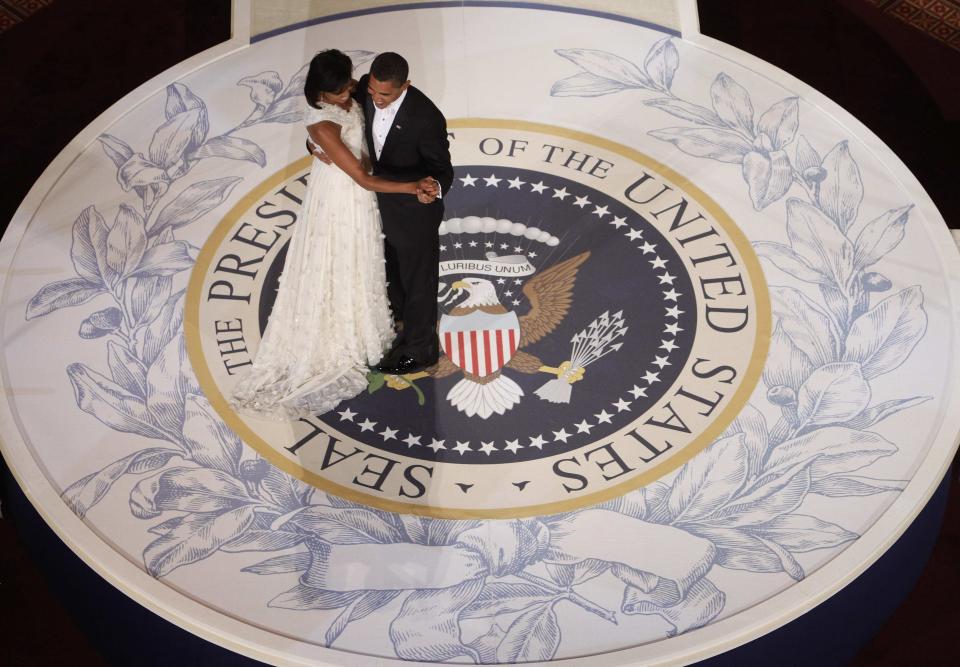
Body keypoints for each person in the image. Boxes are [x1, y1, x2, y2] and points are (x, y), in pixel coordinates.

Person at [228, 49, 437, 420]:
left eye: (350, 87)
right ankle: (349, 330)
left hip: (364, 198)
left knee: (374, 260)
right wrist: (412, 187)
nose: (353, 95)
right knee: (342, 261)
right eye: (342, 92)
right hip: (345, 199)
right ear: (323, 93)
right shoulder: (321, 124)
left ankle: (387, 317)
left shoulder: (357, 91)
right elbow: (362, 176)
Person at [318, 52, 454, 376]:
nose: (377, 99)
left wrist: (432, 186)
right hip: (377, 205)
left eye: (386, 95)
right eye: (373, 93)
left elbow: (443, 170)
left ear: (405, 85)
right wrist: (315, 145)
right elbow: (333, 118)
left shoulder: (426, 117)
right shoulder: (365, 87)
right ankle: (398, 327)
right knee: (391, 273)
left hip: (414, 211)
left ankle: (422, 350)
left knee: (418, 281)